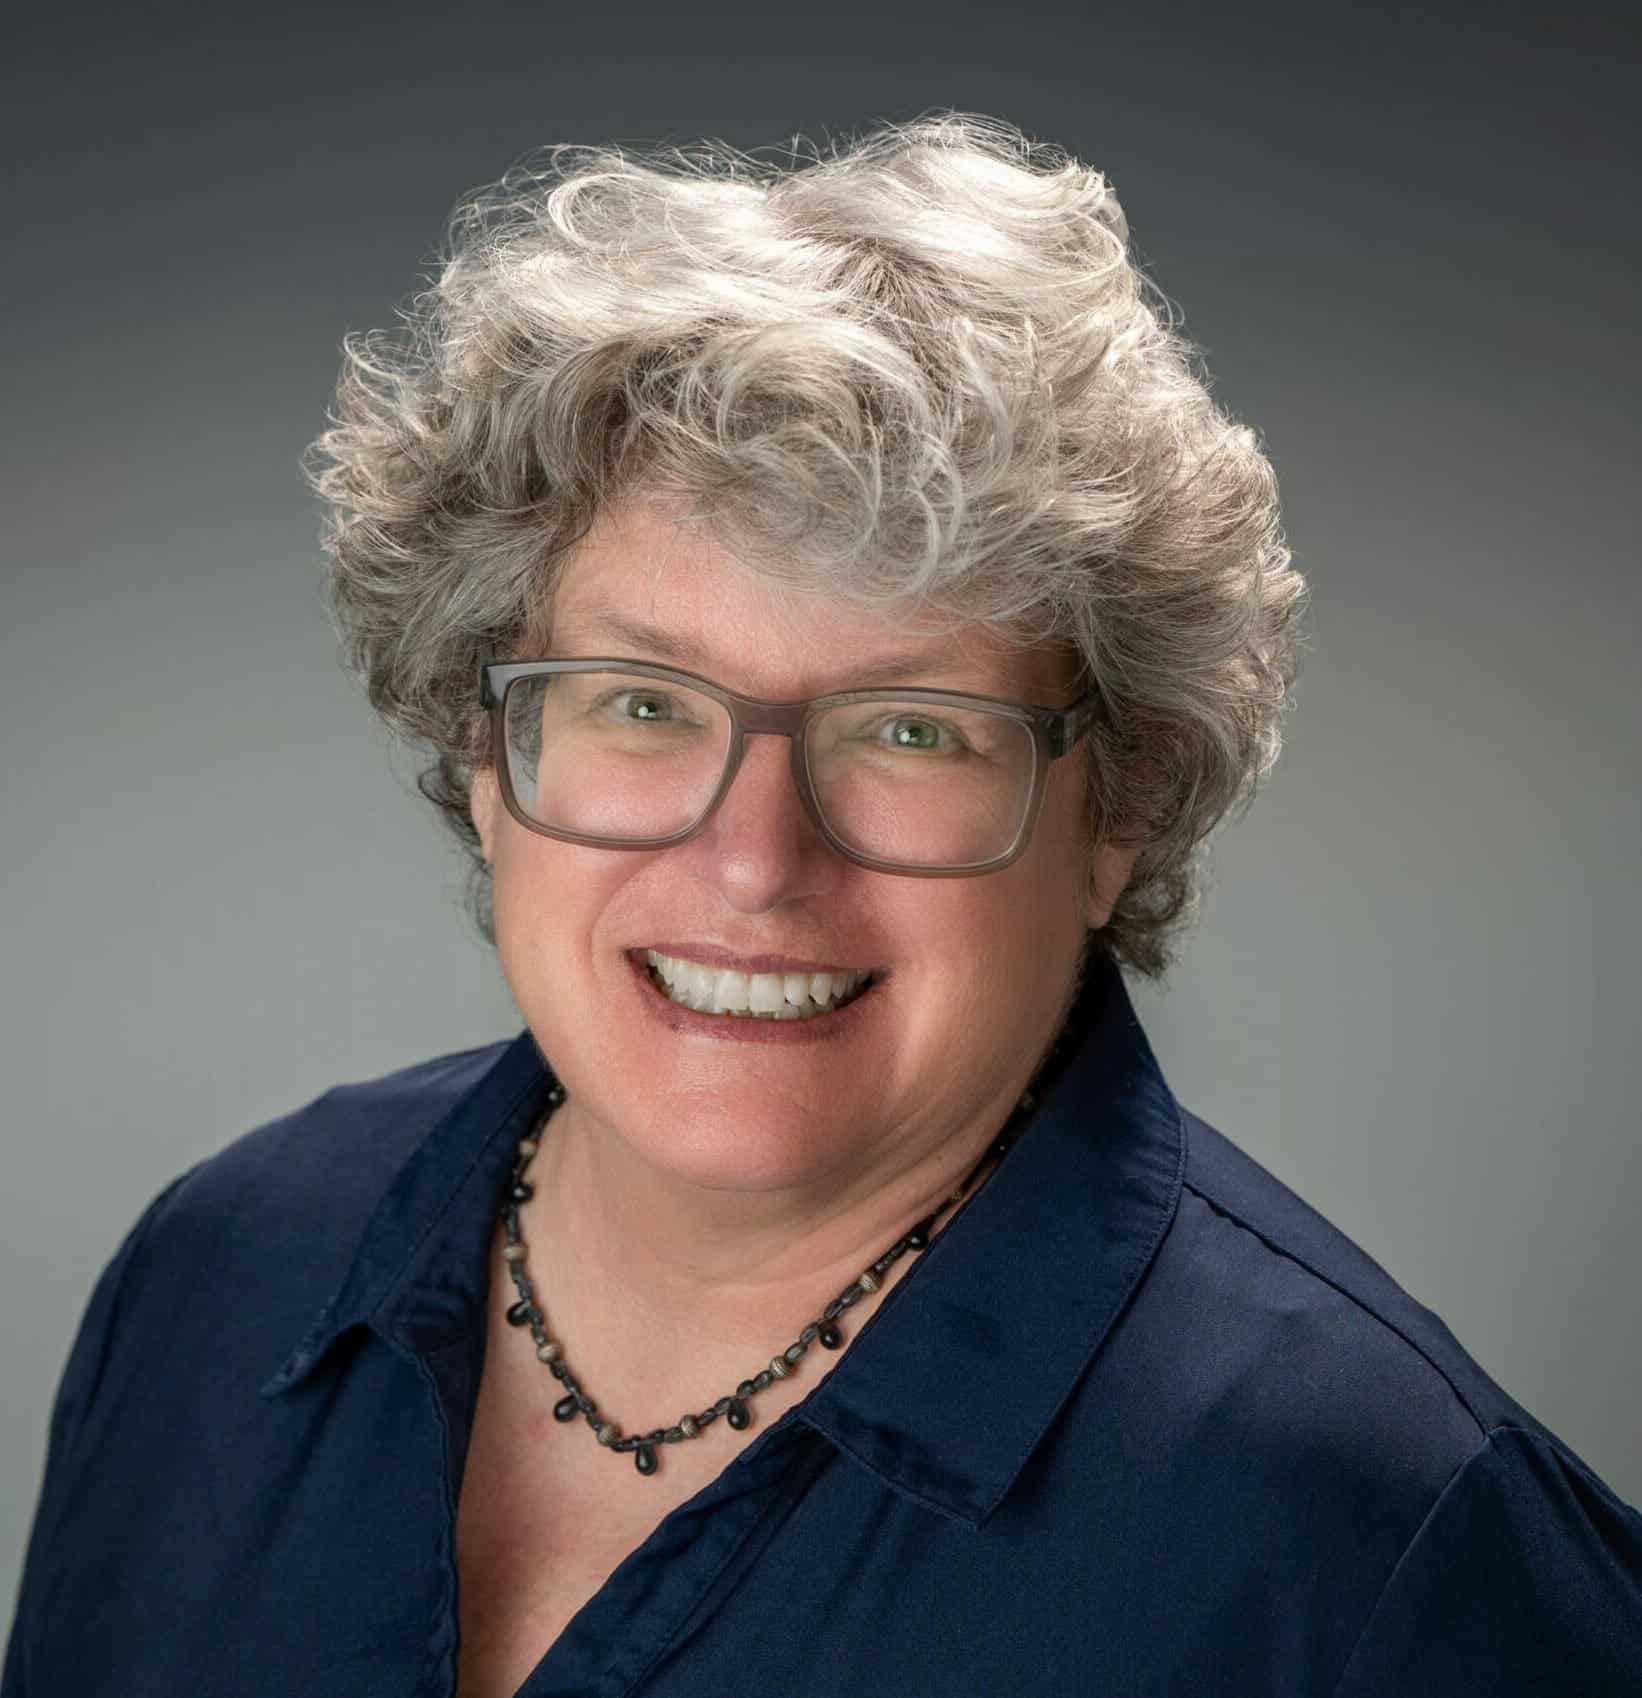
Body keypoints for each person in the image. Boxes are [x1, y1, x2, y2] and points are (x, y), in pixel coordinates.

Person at [6, 111, 1639, 1698]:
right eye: (641, 702)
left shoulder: (1379, 1533)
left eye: (910, 729)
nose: (755, 858)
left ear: (1114, 810)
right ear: (486, 748)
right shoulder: (220, 1276)